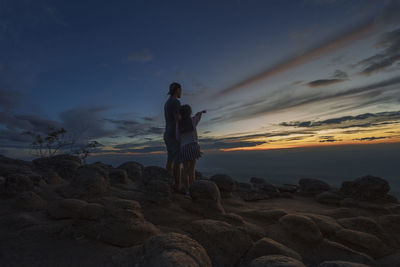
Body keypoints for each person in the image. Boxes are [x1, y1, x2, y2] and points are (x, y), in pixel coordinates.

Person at [176, 104, 206, 198]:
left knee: (185, 171)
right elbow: (197, 117)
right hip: (193, 147)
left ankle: (188, 191)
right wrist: (201, 112)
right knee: (192, 170)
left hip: (184, 148)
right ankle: (193, 190)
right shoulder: (192, 120)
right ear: (190, 112)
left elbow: (177, 138)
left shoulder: (178, 124)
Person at [164, 82, 182, 191]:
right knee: (177, 161)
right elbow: (177, 119)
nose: (181, 92)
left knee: (170, 159)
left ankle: (168, 182)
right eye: (180, 90)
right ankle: (177, 186)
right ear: (177, 90)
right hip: (174, 134)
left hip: (167, 133)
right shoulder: (175, 102)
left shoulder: (167, 102)